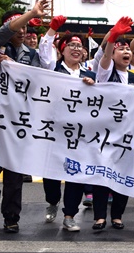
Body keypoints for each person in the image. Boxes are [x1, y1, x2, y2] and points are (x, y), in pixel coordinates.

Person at [0, 0, 48, 233]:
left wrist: (17, 67)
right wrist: (31, 12)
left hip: (19, 121)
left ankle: (11, 216)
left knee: (15, 172)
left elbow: (39, 81)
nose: (22, 30)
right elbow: (3, 33)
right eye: (17, 25)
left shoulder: (31, 54)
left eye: (26, 26)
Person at [39, 18, 99, 231]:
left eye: (79, 46)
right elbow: (44, 50)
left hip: (79, 135)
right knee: (52, 174)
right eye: (71, 45)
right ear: (62, 50)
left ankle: (69, 214)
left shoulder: (89, 75)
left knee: (76, 174)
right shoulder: (53, 70)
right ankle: (53, 201)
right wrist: (52, 29)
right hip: (55, 132)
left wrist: (93, 87)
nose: (76, 49)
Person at [95, 16, 134, 230]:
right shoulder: (105, 73)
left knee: (123, 175)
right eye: (121, 49)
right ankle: (100, 216)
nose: (127, 52)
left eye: (129, 50)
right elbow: (106, 58)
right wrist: (112, 39)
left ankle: (117, 215)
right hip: (106, 133)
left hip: (128, 134)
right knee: (103, 175)